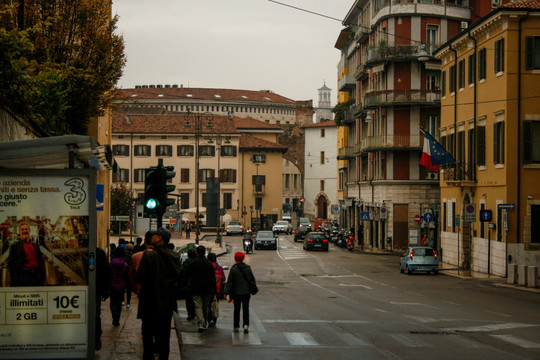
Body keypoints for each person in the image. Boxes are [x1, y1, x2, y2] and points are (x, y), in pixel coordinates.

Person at [136, 228, 181, 360]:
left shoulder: (149, 255)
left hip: (150, 301)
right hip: (167, 303)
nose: (152, 237)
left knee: (148, 336)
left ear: (159, 238)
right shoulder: (174, 256)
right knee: (164, 337)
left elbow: (139, 278)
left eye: (155, 235)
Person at [185, 245, 216, 333]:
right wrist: (214, 290)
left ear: (197, 252)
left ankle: (201, 322)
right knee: (205, 306)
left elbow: (187, 274)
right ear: (205, 252)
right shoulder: (209, 264)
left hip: (196, 288)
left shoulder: (193, 263)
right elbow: (212, 278)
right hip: (207, 289)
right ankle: (205, 321)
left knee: (198, 305)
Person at [224, 252, 256, 334]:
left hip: (236, 293)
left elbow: (230, 281)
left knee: (236, 309)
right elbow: (252, 279)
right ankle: (246, 325)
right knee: (246, 309)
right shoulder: (247, 268)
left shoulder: (234, 269)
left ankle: (236, 326)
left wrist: (226, 292)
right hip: (246, 293)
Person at [7, 222, 45, 286]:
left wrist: (42, 278)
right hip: (22, 278)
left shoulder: (35, 246)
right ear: (19, 232)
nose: (24, 231)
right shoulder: (15, 246)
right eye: (22, 230)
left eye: (26, 229)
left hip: (36, 277)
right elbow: (10, 264)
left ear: (29, 231)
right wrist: (15, 279)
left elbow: (40, 262)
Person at [95, 247, 110, 351]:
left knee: (95, 315)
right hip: (97, 290)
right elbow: (106, 272)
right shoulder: (99, 252)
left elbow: (105, 272)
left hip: (96, 290)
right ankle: (96, 339)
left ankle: (96, 339)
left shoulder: (98, 253)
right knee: (96, 315)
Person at [109, 247, 128, 326]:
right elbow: (126, 276)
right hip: (121, 286)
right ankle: (117, 319)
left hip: (112, 285)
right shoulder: (125, 264)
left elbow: (108, 274)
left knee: (112, 302)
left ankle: (114, 315)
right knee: (119, 303)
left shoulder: (111, 264)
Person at [207, 252, 225, 327]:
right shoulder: (219, 268)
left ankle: (210, 319)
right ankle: (214, 320)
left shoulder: (207, 266)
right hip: (217, 290)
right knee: (215, 305)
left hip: (208, 289)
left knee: (208, 305)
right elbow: (223, 278)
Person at [182, 248, 197, 321]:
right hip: (197, 283)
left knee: (189, 300)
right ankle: (196, 312)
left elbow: (184, 273)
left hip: (188, 283)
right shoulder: (198, 261)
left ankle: (190, 313)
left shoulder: (186, 262)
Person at [123, 243, 134, 308]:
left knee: (122, 288)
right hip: (130, 274)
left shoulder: (123, 256)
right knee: (129, 289)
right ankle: (128, 302)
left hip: (123, 274)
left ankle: (122, 300)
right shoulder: (133, 256)